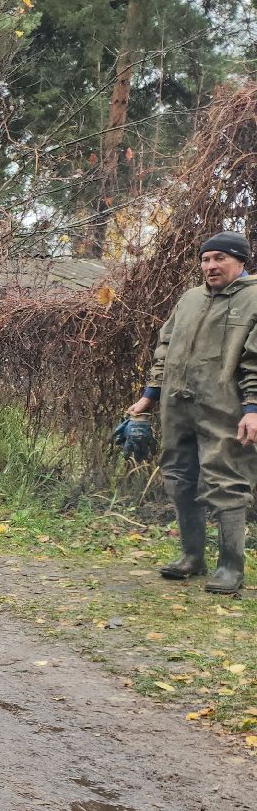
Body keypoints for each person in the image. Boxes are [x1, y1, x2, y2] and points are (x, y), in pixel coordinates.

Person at [124, 231, 257, 595]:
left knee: (227, 481)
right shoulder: (190, 298)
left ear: (241, 260)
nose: (210, 266)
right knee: (179, 477)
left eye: (219, 258)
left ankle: (230, 566)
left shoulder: (254, 298)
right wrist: (150, 395)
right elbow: (165, 347)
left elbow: (255, 360)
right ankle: (192, 557)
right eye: (205, 259)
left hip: (226, 407)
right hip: (177, 405)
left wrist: (253, 408)